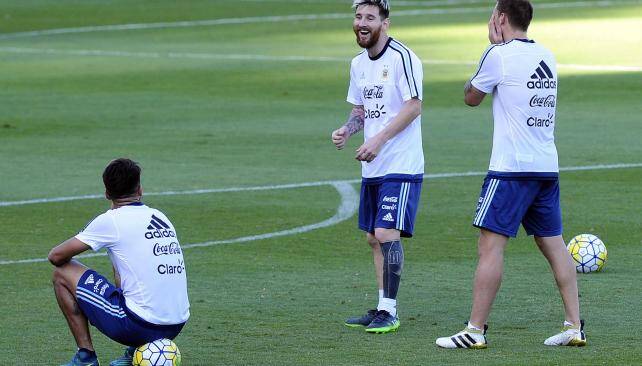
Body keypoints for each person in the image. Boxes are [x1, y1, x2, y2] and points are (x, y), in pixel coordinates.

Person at [435, 0, 586, 349]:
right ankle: (574, 325)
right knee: (554, 244)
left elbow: (471, 97)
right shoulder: (547, 55)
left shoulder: (498, 55)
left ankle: (474, 330)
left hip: (511, 171)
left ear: (501, 18)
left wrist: (490, 47)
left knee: (489, 245)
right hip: (546, 167)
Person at [332, 0, 424, 334]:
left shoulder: (403, 57)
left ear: (385, 22)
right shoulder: (358, 64)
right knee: (373, 238)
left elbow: (414, 107)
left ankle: (392, 312)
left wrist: (379, 140)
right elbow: (362, 109)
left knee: (386, 233)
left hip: (401, 163)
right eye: (358, 16)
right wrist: (348, 129)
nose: (362, 22)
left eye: (370, 17)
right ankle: (382, 307)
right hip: (373, 166)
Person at [49, 158, 190, 365]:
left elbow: (56, 256)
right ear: (140, 189)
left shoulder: (111, 220)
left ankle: (85, 357)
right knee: (130, 267)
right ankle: (134, 351)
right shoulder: (160, 216)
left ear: (107, 193)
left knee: (62, 273)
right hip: (176, 324)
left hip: (141, 325)